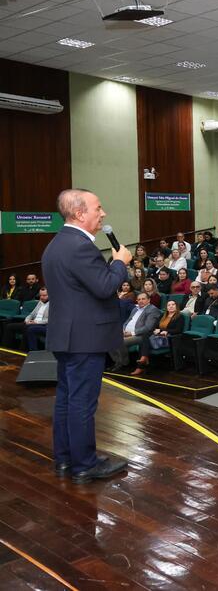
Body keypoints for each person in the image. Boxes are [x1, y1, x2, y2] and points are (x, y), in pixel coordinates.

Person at [41, 189, 131, 483]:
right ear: (80, 214)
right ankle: (84, 465)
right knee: (82, 402)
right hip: (85, 337)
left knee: (67, 399)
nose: (102, 213)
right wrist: (120, 262)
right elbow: (105, 287)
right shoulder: (80, 246)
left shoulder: (55, 245)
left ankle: (66, 459)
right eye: (98, 208)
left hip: (66, 336)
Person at [109, 292, 162, 372]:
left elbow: (148, 327)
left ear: (149, 300)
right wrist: (123, 329)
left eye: (143, 299)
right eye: (139, 299)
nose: (141, 301)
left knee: (119, 341)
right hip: (126, 333)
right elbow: (127, 321)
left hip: (141, 335)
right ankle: (117, 362)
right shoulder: (135, 309)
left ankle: (123, 364)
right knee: (107, 340)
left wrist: (132, 333)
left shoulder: (153, 310)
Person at [132, 298, 185, 375]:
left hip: (168, 339)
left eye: (173, 304)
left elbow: (178, 330)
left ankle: (141, 364)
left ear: (176, 306)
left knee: (143, 340)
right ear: (166, 307)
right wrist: (156, 330)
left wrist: (166, 331)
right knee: (144, 339)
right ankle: (142, 362)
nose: (171, 306)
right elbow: (155, 326)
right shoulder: (163, 316)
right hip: (157, 337)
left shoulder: (180, 317)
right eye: (169, 305)